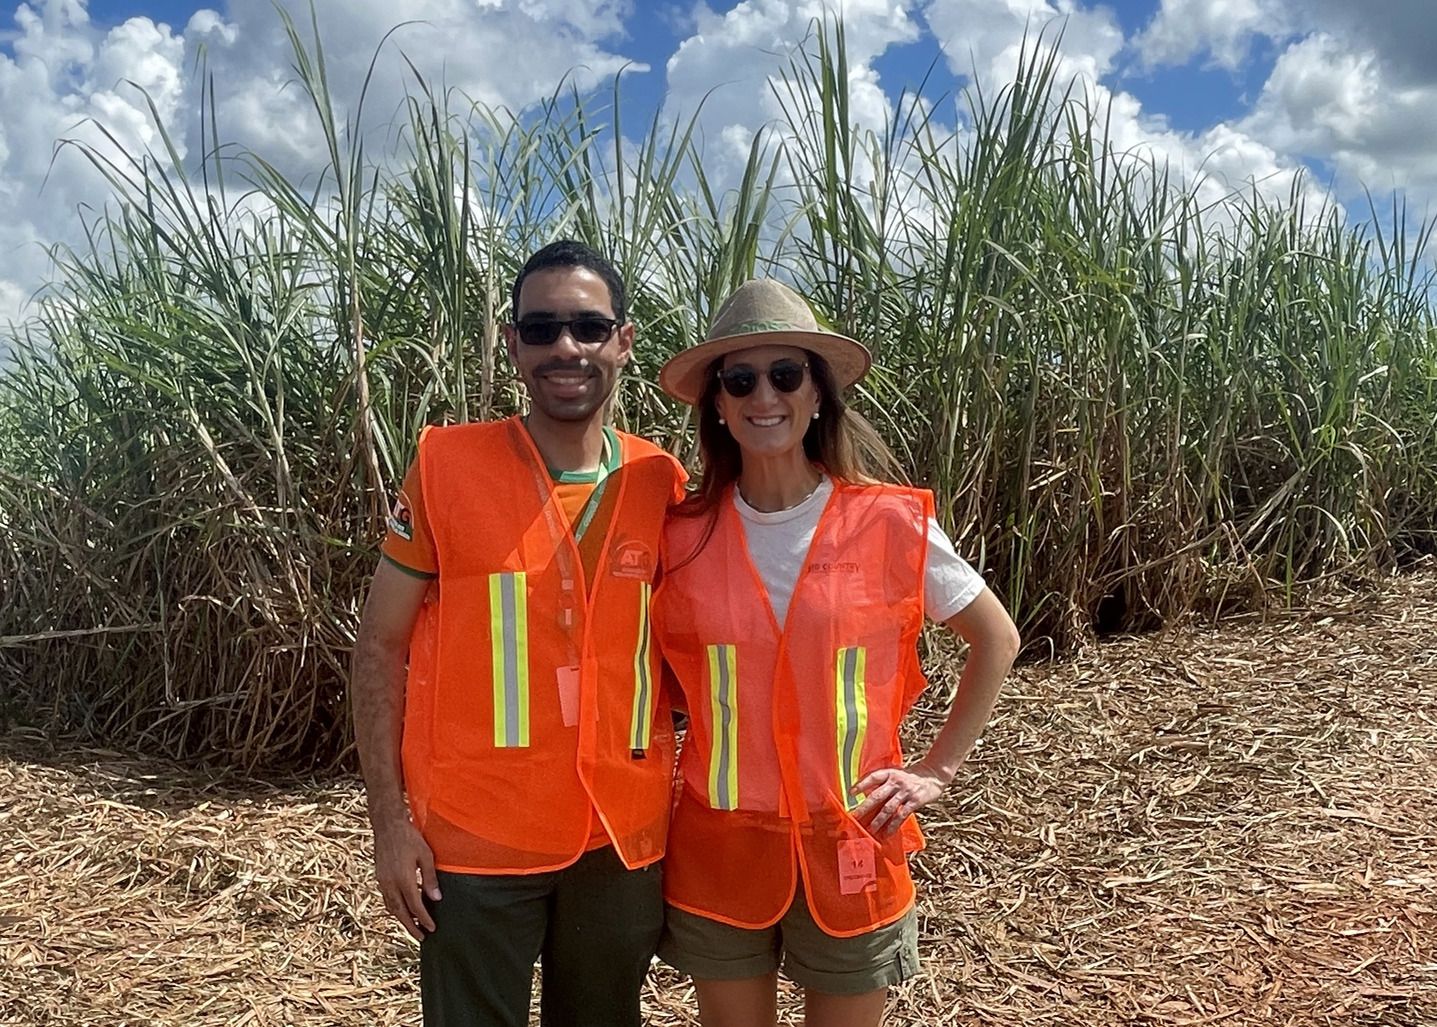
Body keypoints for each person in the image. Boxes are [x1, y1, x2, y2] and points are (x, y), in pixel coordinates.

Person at [650, 279, 1020, 1027]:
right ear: (716, 403)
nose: (764, 395)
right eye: (740, 378)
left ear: (818, 393)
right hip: (720, 847)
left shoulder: (887, 521)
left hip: (853, 836)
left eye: (786, 374)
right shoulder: (679, 535)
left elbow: (996, 638)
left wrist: (934, 770)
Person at [350, 240, 687, 1027]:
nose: (563, 347)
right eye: (539, 329)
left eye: (587, 326)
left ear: (623, 341)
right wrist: (390, 826)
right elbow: (378, 646)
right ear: (511, 343)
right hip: (475, 840)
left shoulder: (659, 482)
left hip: (618, 837)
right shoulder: (445, 465)